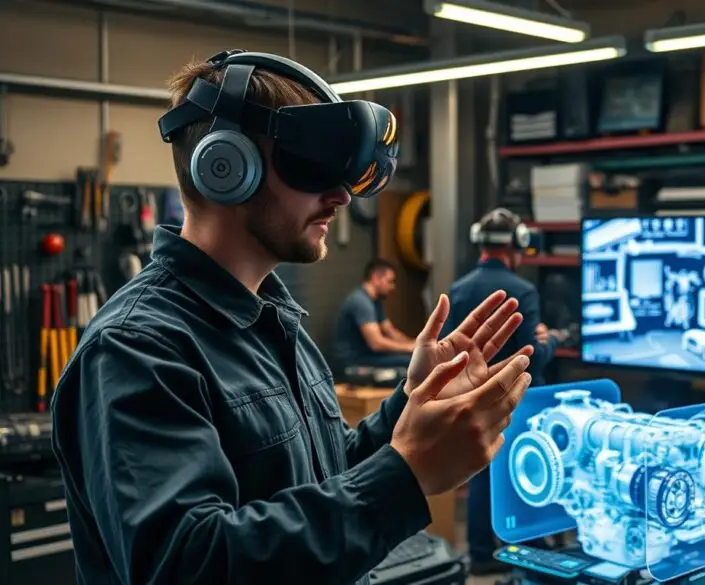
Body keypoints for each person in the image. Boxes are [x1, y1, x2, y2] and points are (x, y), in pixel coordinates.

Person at [49, 50, 535, 585]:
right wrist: (406, 476)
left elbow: (323, 475)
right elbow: (187, 564)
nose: (339, 196)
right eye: (309, 165)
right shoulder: (138, 348)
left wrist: (409, 408)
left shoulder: (278, 323)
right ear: (225, 167)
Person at [443, 207, 564, 574]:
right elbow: (532, 358)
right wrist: (553, 341)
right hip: (517, 400)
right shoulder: (522, 290)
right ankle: (528, 544)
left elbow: (453, 350)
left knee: (483, 474)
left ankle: (480, 554)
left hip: (474, 397)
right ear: (518, 244)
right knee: (531, 468)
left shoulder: (459, 289)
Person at [333, 258, 416, 371]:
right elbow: (376, 343)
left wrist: (415, 344)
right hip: (354, 362)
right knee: (410, 361)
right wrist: (408, 348)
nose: (393, 287)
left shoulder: (376, 301)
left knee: (414, 357)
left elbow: (390, 331)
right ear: (376, 278)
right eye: (390, 281)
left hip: (368, 356)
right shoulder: (361, 301)